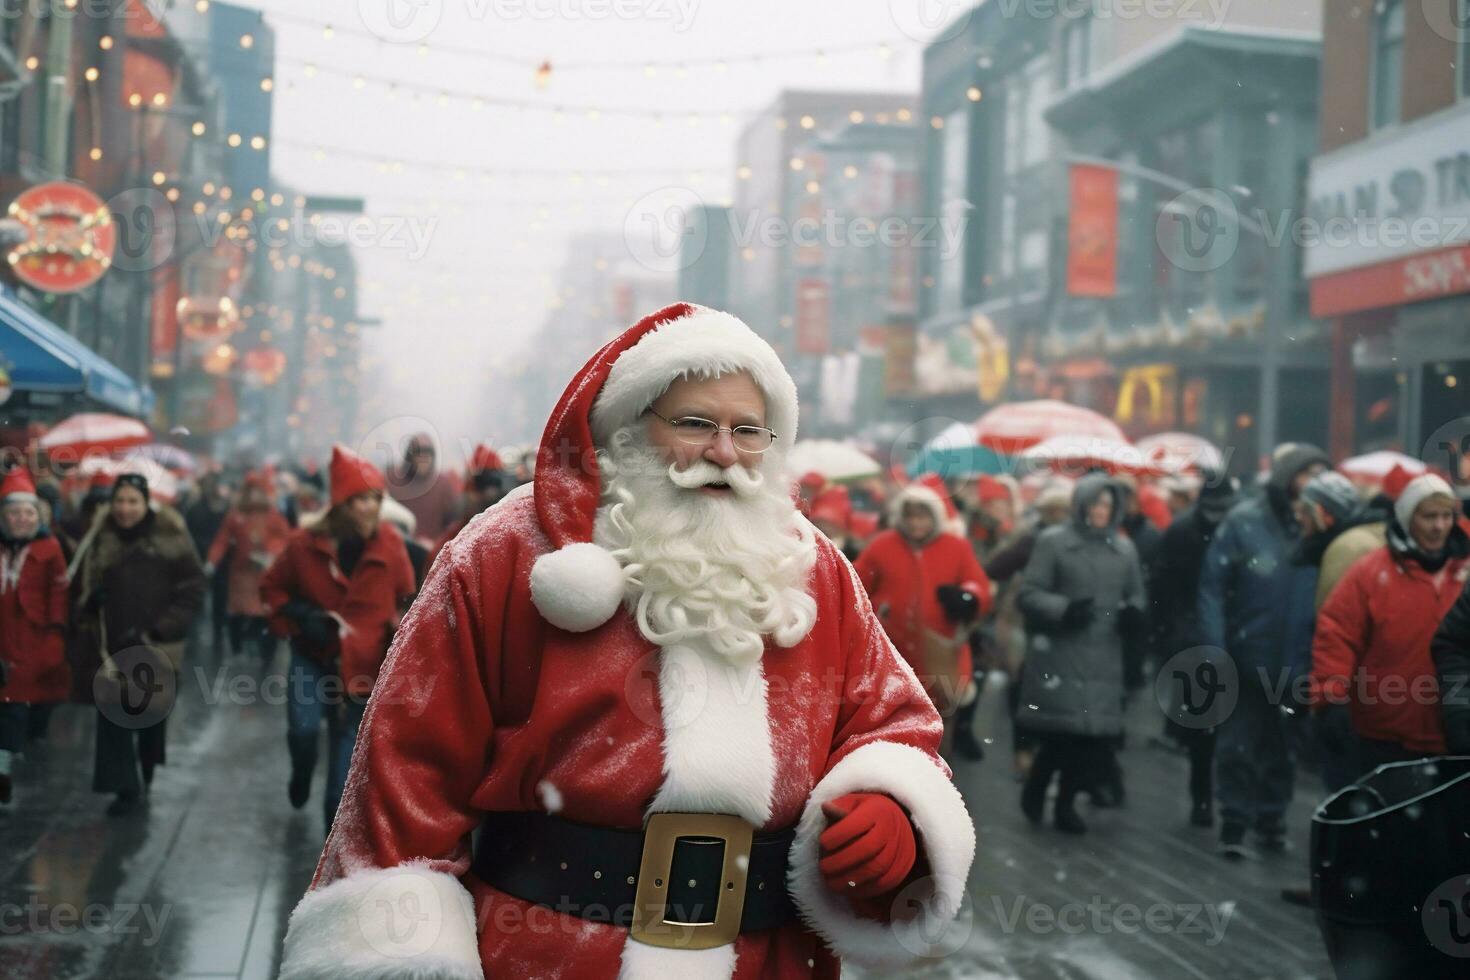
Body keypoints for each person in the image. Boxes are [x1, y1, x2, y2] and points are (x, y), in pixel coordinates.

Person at [275, 304, 974, 980]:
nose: (724, 453)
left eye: (750, 431)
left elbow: (890, 718)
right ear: (631, 429)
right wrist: (402, 954)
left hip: (766, 959)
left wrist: (893, 807)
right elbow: (407, 772)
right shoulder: (504, 554)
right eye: (695, 424)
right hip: (546, 955)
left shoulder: (812, 566)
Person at [260, 446, 416, 828]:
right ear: (342, 503)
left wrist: (399, 634)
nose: (370, 508)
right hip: (313, 657)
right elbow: (271, 590)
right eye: (361, 499)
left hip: (363, 670)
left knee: (339, 791)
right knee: (304, 731)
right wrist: (300, 616)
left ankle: (329, 865)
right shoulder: (304, 546)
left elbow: (408, 599)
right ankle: (301, 769)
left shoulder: (390, 545)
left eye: (375, 499)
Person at [1198, 443, 1327, 858]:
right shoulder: (1244, 521)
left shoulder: (1317, 529)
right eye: (1304, 475)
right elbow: (1213, 589)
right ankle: (1234, 821)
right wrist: (1216, 647)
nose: (1309, 485)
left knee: (1283, 745)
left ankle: (1271, 817)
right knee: (1238, 742)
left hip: (1296, 658)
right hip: (1247, 654)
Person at [1015, 474, 1146, 835]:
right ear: (1081, 506)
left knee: (1088, 739)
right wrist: (1064, 609)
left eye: (1107, 504)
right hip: (1062, 652)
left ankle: (1065, 802)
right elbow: (1029, 594)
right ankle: (1038, 786)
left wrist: (1134, 613)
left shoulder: (1124, 549)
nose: (1101, 511)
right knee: (1062, 734)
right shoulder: (1054, 543)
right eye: (1095, 503)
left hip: (1104, 655)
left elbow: (1136, 595)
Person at [1313, 475, 1469, 775]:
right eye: (1429, 516)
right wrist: (1330, 699)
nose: (1439, 526)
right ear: (1409, 517)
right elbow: (1337, 635)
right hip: (1383, 731)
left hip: (1455, 733)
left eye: (1446, 515)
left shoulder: (1466, 571)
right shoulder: (1371, 573)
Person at [74, 474, 206, 816]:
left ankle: (146, 763)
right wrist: (91, 601)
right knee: (114, 715)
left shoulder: (170, 535)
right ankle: (124, 787)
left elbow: (192, 587)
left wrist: (162, 627)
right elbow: (80, 583)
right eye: (119, 501)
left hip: (153, 644)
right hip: (111, 645)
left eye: (133, 501)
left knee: (148, 715)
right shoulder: (98, 536)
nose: (125, 508)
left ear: (146, 502)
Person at [855, 480, 993, 756]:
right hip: (892, 648)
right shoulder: (883, 545)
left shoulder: (956, 547)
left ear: (935, 517)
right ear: (901, 518)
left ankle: (936, 772)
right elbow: (857, 584)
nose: (917, 523)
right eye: (911, 516)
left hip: (939, 650)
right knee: (893, 718)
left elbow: (979, 586)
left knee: (940, 717)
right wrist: (877, 609)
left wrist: (967, 597)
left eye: (923, 516)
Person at [1153, 469, 1238, 827]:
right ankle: (1203, 797)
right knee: (1204, 725)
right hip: (1195, 637)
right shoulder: (1183, 533)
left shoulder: (1231, 529)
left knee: (1219, 726)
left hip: (1227, 633)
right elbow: (1165, 588)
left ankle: (1217, 798)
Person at [0, 469, 68, 805]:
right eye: (14, 513)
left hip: (28, 639)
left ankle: (3, 772)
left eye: (28, 512)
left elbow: (58, 595)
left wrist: (55, 636)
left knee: (13, 711)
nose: (22, 519)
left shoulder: (50, 548)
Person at [205, 472, 291, 661]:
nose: (254, 496)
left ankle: (263, 651)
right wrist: (212, 561)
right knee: (237, 612)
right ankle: (237, 649)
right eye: (251, 491)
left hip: (264, 574)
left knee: (263, 613)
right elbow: (222, 540)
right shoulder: (236, 516)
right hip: (241, 574)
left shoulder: (274, 516)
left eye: (258, 491)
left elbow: (284, 539)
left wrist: (271, 552)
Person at [430, 444, 509, 561]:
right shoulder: (455, 537)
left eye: (494, 480)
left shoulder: (510, 528)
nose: (490, 491)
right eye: (483, 481)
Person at [385, 432, 459, 545]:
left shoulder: (442, 485)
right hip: (399, 545)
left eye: (427, 456)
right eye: (419, 455)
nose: (423, 461)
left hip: (432, 550)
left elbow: (452, 524)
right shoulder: (394, 482)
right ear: (410, 457)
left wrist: (438, 544)